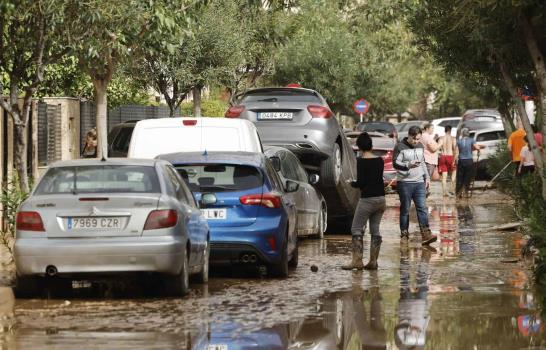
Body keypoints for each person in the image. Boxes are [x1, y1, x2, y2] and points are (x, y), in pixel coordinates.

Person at [342, 132, 386, 270]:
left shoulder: (361, 161)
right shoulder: (380, 160)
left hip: (367, 200)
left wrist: (351, 183)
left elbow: (361, 183)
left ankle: (357, 261)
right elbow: (376, 179)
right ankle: (373, 262)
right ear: (371, 145)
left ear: (359, 147)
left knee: (356, 229)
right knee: (375, 230)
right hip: (381, 199)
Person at [393, 126, 437, 246]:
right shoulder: (400, 147)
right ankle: (404, 234)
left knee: (422, 208)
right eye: (415, 139)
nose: (416, 142)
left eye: (418, 139)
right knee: (405, 210)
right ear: (409, 135)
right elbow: (395, 163)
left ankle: (426, 234)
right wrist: (408, 165)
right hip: (405, 183)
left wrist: (427, 177)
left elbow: (422, 162)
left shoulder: (420, 146)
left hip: (419, 183)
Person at [455, 128, 483, 198]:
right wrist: (479, 150)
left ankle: (458, 193)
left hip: (461, 161)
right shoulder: (471, 140)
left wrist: (455, 160)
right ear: (468, 134)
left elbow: (456, 152)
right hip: (469, 161)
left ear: (462, 133)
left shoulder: (458, 141)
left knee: (460, 177)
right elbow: (477, 147)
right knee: (467, 177)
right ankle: (466, 192)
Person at [438, 125, 458, 197]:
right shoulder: (453, 138)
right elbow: (455, 149)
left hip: (443, 157)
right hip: (450, 156)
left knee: (444, 177)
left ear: (445, 130)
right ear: (450, 130)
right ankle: (452, 190)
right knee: (453, 174)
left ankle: (444, 193)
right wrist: (455, 159)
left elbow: (438, 148)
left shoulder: (441, 138)